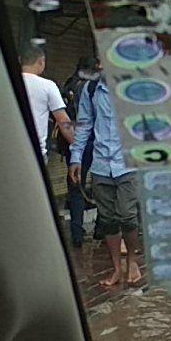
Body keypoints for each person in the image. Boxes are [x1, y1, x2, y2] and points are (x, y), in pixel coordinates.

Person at [68, 75, 141, 288]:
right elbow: (83, 126)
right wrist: (76, 158)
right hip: (100, 165)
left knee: (128, 215)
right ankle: (117, 268)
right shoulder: (91, 90)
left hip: (128, 164)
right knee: (108, 220)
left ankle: (132, 261)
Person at [60, 56, 102, 247]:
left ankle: (77, 232)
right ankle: (101, 229)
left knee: (75, 187)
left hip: (73, 144)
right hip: (95, 142)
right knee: (103, 184)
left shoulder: (69, 86)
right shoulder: (94, 88)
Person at [20, 43, 73, 162]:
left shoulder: (3, 81)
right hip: (35, 154)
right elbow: (63, 121)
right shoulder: (48, 86)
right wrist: (77, 147)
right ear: (41, 61)